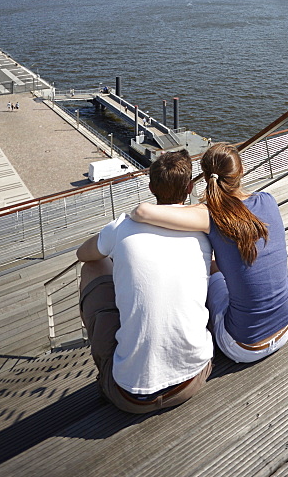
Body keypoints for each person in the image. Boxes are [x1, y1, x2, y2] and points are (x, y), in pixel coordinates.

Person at [131, 142, 288, 364]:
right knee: (228, 270)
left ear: (206, 177)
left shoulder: (209, 215)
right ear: (241, 171)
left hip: (243, 347)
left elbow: (142, 211)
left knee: (207, 275)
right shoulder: (268, 200)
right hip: (286, 326)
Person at [76, 150, 213, 413]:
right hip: (193, 378)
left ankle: (105, 361)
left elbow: (83, 255)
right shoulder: (202, 228)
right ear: (190, 187)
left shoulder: (122, 227)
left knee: (93, 267)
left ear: (151, 188)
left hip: (129, 395)